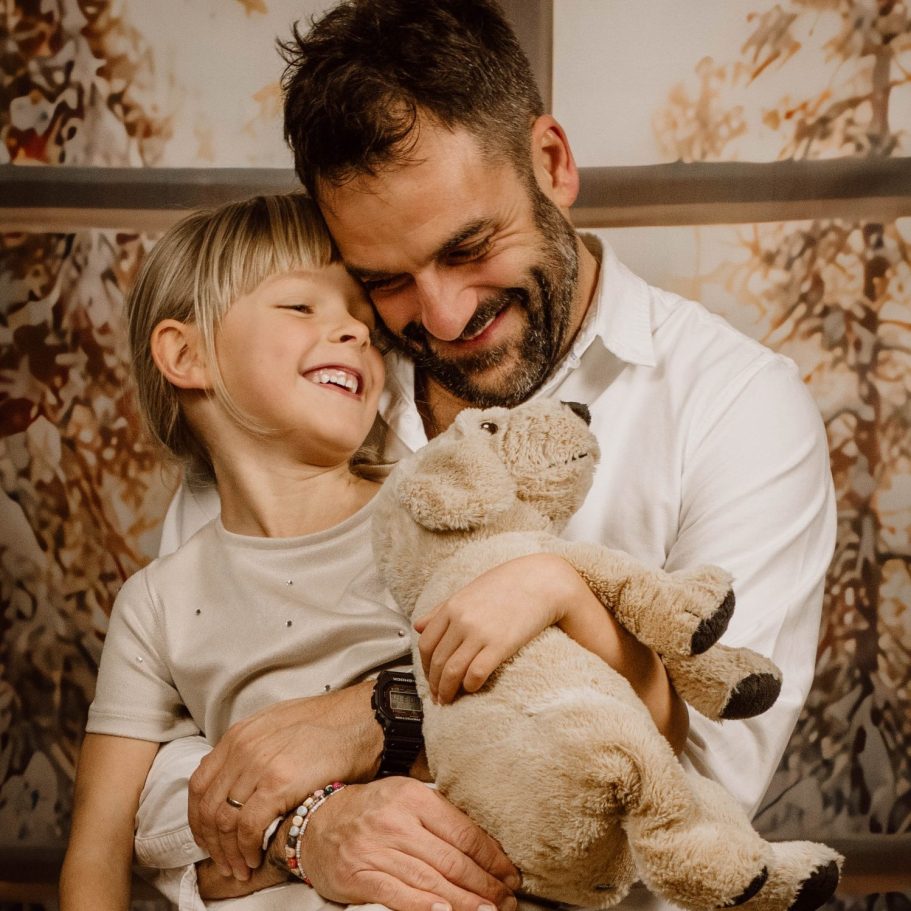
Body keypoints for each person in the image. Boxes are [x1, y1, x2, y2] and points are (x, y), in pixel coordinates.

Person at [137, 1, 837, 910]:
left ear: (553, 163)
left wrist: (378, 719)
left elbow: (705, 777)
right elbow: (153, 771)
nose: (439, 316)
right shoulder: (300, 385)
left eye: (470, 247)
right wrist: (308, 831)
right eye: (385, 278)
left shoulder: (735, 407)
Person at [59, 192, 684, 911]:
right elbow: (100, 847)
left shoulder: (441, 513)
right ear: (184, 353)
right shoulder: (155, 602)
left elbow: (638, 718)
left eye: (361, 319)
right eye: (301, 308)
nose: (354, 333)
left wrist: (560, 589)